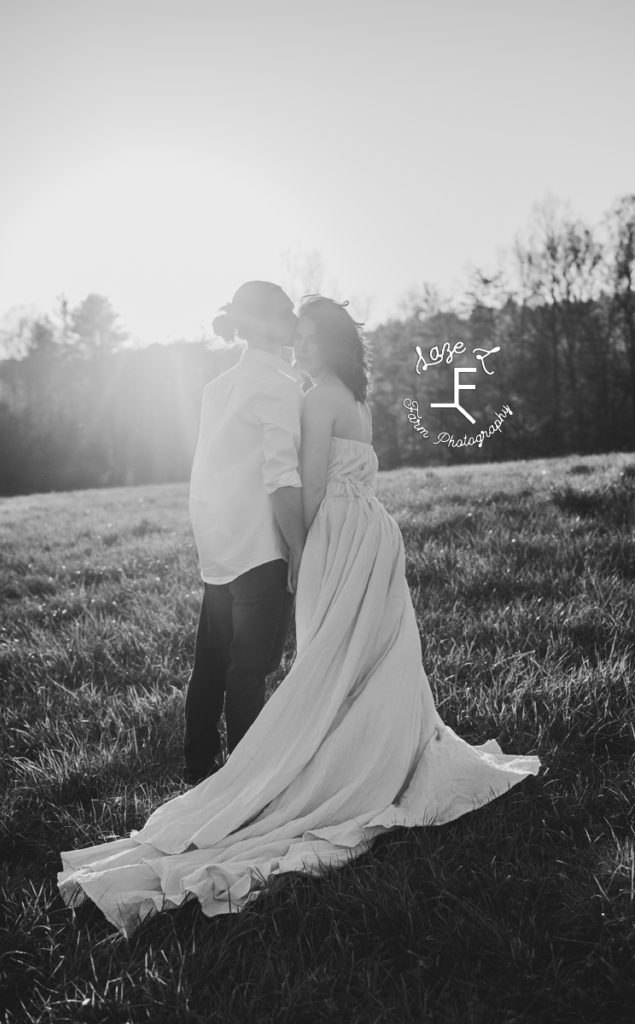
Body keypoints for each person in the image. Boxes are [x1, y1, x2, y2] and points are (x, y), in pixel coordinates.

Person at [58, 294, 542, 936]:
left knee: (326, 662)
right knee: (371, 657)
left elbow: (307, 485)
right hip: (374, 533)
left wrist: (299, 558)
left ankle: (304, 766)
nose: (302, 347)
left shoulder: (313, 397)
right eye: (299, 337)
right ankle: (382, 754)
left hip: (335, 537)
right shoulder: (356, 397)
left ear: (333, 344)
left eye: (312, 338)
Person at [181, 281, 305, 785]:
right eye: (288, 315)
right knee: (249, 670)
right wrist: (299, 547)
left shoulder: (220, 386)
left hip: (218, 546)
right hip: (259, 547)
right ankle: (245, 782)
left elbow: (208, 470)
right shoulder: (278, 385)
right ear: (269, 324)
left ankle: (197, 766)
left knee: (212, 664)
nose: (295, 324)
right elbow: (281, 475)